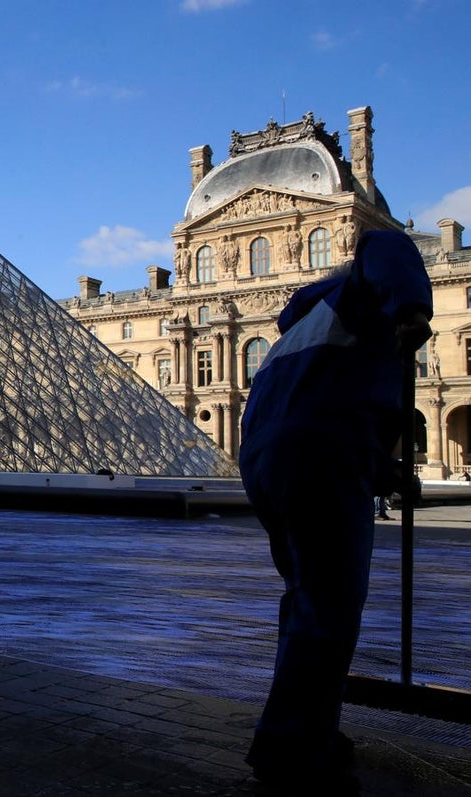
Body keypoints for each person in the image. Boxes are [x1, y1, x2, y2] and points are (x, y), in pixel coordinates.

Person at [238, 229, 432, 791]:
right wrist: (411, 309)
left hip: (268, 461)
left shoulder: (301, 327)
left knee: (307, 601)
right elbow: (383, 241)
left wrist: (386, 473)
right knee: (331, 604)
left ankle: (308, 724)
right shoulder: (360, 293)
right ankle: (290, 745)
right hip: (319, 457)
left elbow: (320, 405)